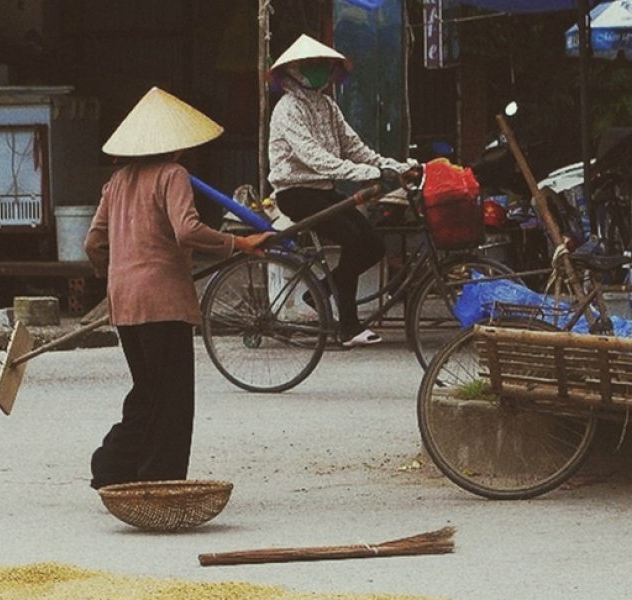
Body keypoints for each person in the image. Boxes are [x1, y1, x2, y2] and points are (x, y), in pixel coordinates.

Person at [84, 87, 271, 489]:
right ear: (178, 146)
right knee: (171, 396)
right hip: (163, 302)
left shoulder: (116, 182)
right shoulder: (173, 175)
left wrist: (114, 275)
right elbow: (187, 230)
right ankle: (159, 476)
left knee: (147, 389)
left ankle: (112, 465)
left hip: (126, 301)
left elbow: (93, 243)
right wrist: (238, 243)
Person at [267, 34, 410, 348]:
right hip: (296, 191)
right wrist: (371, 174)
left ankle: (320, 289)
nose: (320, 71)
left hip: (324, 188)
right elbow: (315, 158)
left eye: (323, 65)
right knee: (351, 238)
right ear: (293, 69)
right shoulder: (287, 109)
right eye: (312, 65)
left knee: (373, 245)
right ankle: (348, 327)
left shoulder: (328, 105)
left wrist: (396, 167)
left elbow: (355, 148)